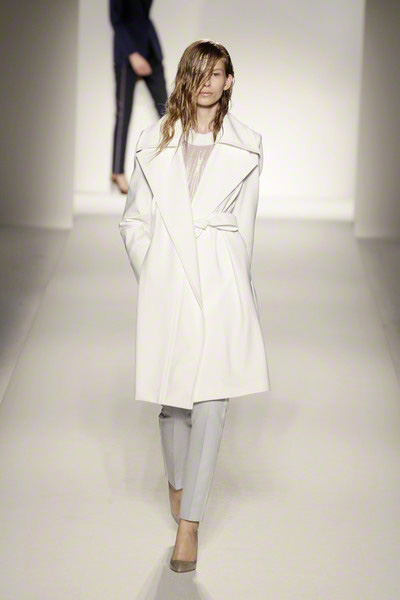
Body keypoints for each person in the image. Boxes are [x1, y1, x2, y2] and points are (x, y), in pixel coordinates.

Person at [119, 39, 270, 573]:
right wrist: (153, 270)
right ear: (187, 76)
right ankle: (177, 480)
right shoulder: (152, 142)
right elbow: (133, 219)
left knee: (211, 403)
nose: (208, 82)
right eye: (199, 72)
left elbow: (245, 229)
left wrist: (238, 285)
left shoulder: (248, 147)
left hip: (221, 282)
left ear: (230, 80)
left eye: (217, 73)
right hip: (170, 280)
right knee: (174, 404)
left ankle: (190, 525)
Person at [109, 0, 168, 193]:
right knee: (123, 113)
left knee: (168, 111)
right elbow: (116, 20)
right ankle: (117, 172)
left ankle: (176, 169)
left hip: (150, 49)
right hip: (127, 53)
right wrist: (132, 54)